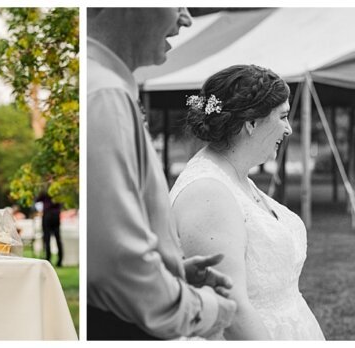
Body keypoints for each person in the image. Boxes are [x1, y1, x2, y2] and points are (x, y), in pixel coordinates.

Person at [88, 8, 238, 340]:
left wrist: (169, 272)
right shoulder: (104, 94)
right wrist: (204, 308)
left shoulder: (107, 87)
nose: (186, 18)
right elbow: (115, 263)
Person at [169, 65, 324, 340]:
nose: (288, 129)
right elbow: (233, 309)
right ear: (251, 123)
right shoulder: (206, 193)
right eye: (283, 117)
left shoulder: (236, 178)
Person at [36, 191, 64, 267]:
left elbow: (37, 199)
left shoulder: (46, 189)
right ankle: (59, 260)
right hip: (55, 215)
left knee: (47, 239)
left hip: (48, 215)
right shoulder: (58, 188)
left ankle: (48, 259)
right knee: (57, 239)